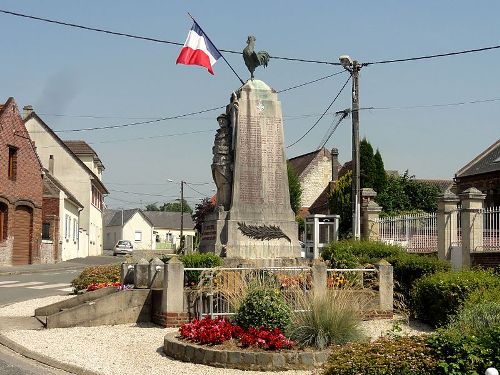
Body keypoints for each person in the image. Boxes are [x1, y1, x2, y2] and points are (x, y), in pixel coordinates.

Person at [211, 113, 233, 210]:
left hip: (225, 162)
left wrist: (219, 149)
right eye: (219, 120)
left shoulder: (230, 133)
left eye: (223, 120)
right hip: (216, 161)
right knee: (219, 185)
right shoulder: (218, 134)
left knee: (225, 183)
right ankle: (219, 204)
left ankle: (225, 204)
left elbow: (232, 148)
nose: (221, 122)